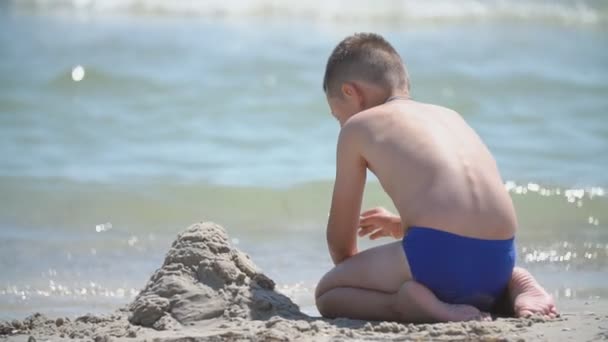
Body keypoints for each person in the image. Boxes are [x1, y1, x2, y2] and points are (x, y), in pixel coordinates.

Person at [314, 33, 558, 323]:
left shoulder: (357, 127)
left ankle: (408, 303)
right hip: (500, 258)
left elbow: (341, 245)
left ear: (352, 93)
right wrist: (399, 226)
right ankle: (516, 285)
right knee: (465, 270)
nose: (342, 123)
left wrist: (353, 273)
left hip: (438, 259)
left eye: (337, 115)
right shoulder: (451, 116)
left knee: (329, 293)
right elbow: (461, 207)